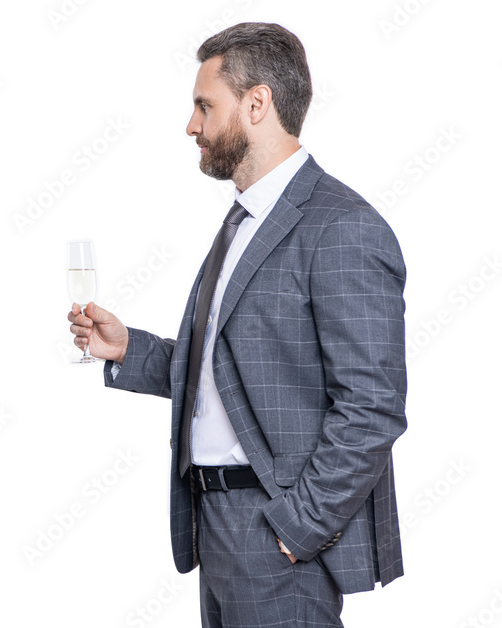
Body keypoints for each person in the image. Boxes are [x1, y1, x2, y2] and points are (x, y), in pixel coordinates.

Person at [68, 23, 406, 627]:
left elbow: (372, 408)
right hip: (215, 524)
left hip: (279, 534)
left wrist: (296, 529)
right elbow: (228, 372)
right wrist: (127, 350)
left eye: (204, 106)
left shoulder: (342, 227)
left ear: (257, 103)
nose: (190, 125)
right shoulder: (243, 221)